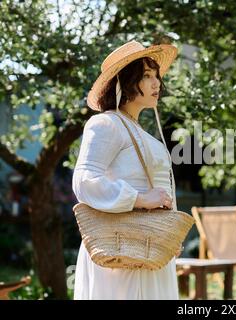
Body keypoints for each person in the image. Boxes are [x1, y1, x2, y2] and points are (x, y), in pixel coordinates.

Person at [72, 40, 181, 299]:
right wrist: (140, 199)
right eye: (146, 76)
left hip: (153, 247)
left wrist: (170, 234)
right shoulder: (106, 124)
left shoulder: (146, 136)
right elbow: (84, 181)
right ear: (126, 81)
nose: (157, 83)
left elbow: (161, 190)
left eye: (157, 76)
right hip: (119, 249)